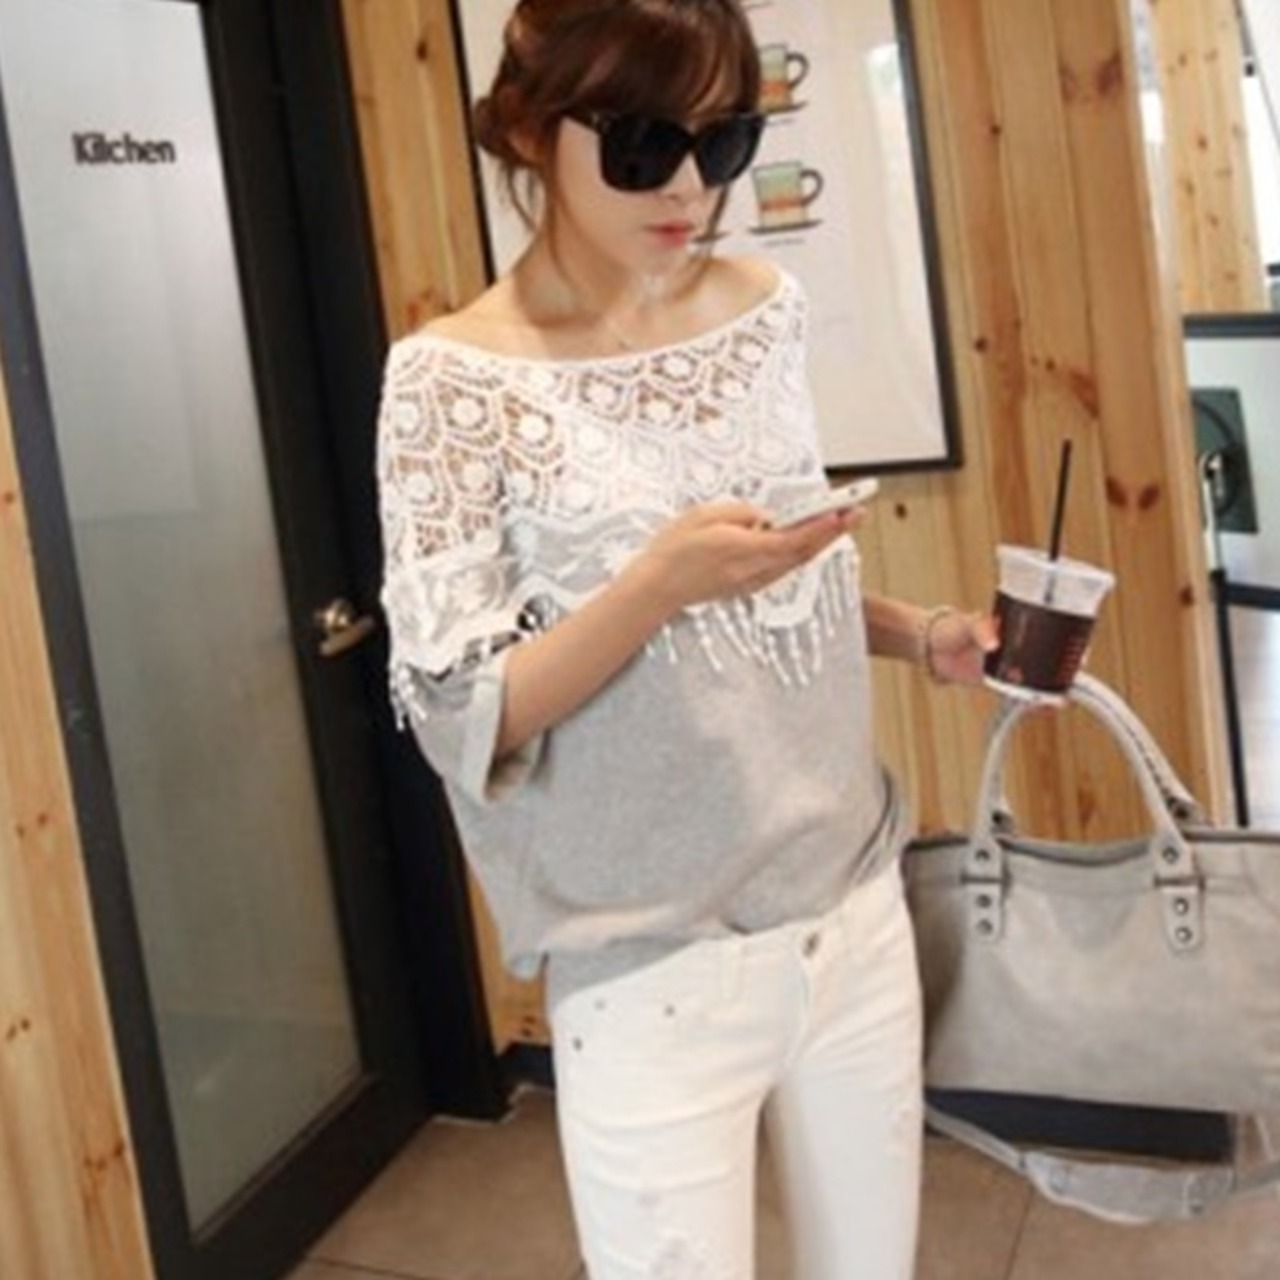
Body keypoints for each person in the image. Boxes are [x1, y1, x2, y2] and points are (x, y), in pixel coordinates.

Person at [376, 2, 996, 1275]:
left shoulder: (759, 311)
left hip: (848, 905)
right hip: (648, 968)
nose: (688, 189)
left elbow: (766, 574)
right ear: (535, 132)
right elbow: (462, 711)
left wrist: (914, 631)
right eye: (643, 143)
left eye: (722, 144)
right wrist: (651, 584)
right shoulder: (450, 381)